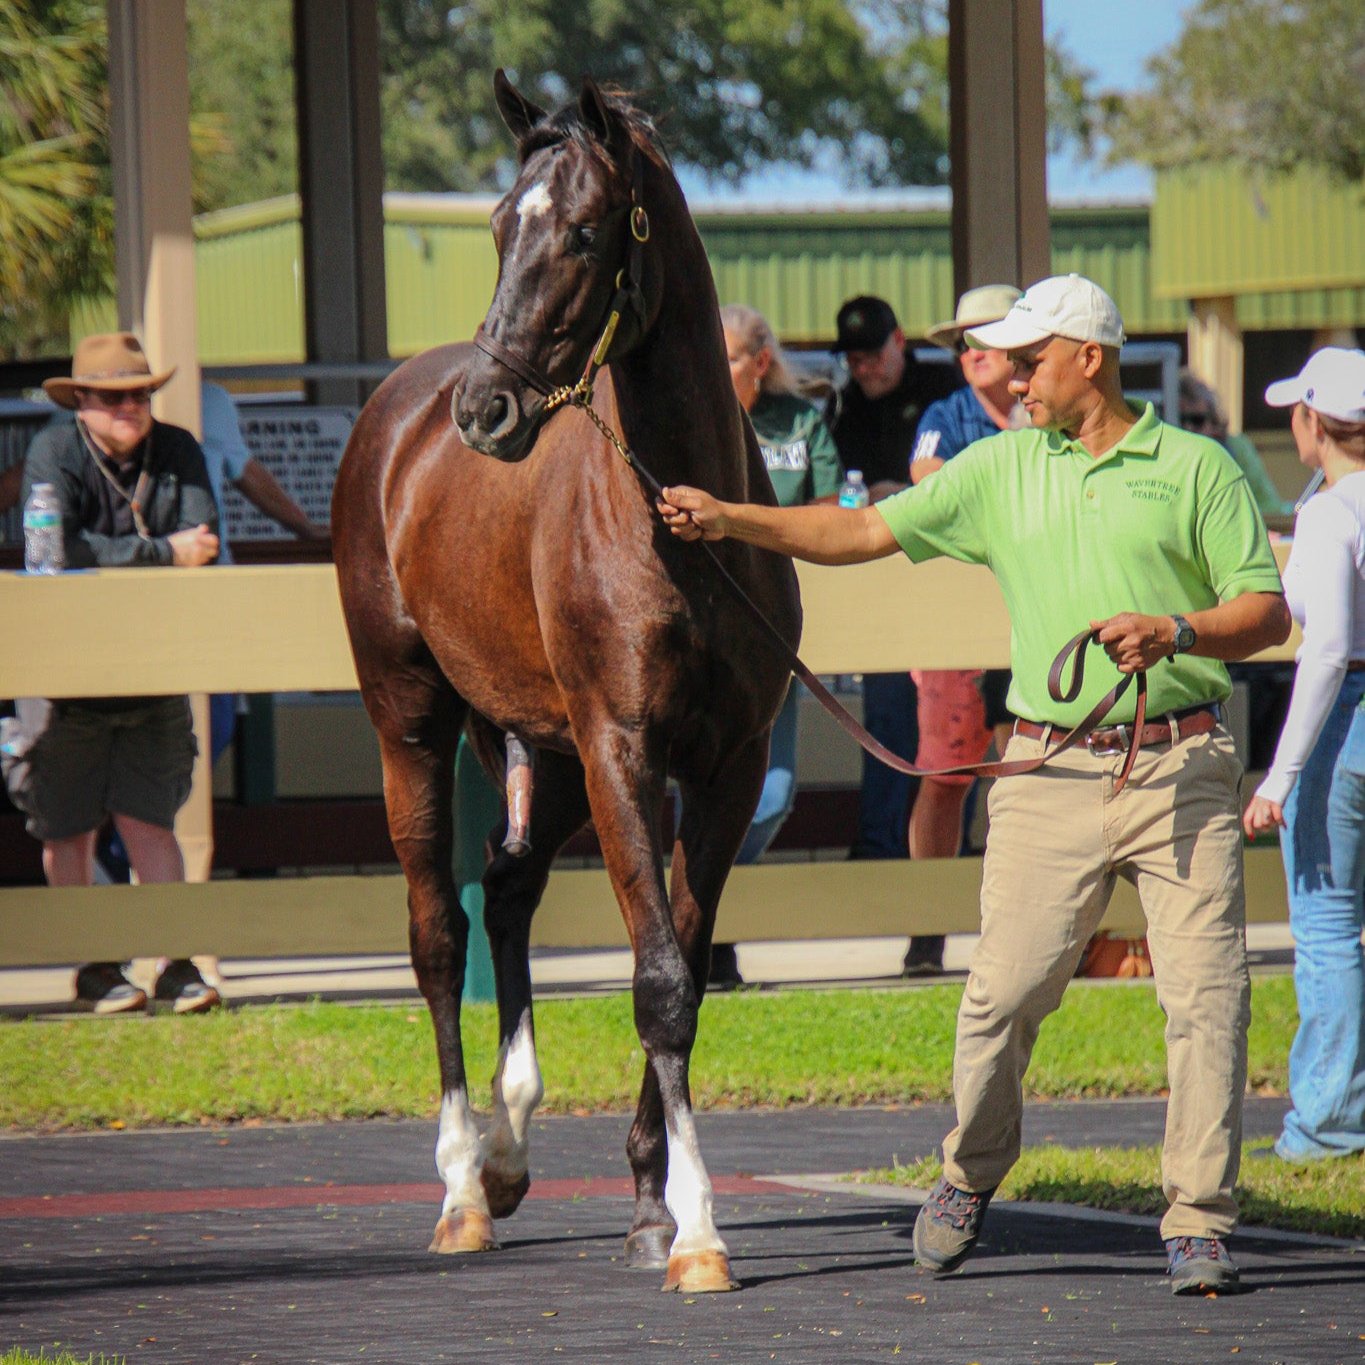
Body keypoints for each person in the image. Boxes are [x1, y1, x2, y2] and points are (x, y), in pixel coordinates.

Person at [659, 274, 1291, 1296]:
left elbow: (1264, 613)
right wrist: (731, 519)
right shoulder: (997, 469)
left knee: (1209, 1001)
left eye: (1028, 359)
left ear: (1090, 357)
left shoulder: (1195, 468)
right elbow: (863, 533)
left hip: (1182, 764)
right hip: (1048, 772)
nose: (1006, 375)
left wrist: (1175, 630)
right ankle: (969, 1173)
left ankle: (1199, 1217)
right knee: (1002, 997)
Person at [0, 333, 222, 1014]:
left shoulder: (178, 448)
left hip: (153, 665)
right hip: (64, 676)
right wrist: (158, 552)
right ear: (83, 403)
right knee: (67, 829)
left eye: (141, 393)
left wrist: (132, 555)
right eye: (114, 395)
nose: (131, 405)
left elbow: (205, 539)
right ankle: (97, 966)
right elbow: (52, 550)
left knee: (151, 821)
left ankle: (176, 962)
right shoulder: (53, 451)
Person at [1243, 346, 1365, 1163]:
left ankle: (1326, 1124)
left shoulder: (1329, 512)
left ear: (1312, 421)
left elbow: (1322, 648)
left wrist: (1278, 775)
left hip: (1347, 716)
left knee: (1324, 923)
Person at [707, 304, 845, 987]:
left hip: (773, 631)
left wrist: (755, 527)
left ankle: (705, 905)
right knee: (703, 789)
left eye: (729, 355)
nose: (717, 365)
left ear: (760, 361)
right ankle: (709, 939)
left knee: (772, 796)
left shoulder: (800, 424)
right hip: (704, 636)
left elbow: (828, 513)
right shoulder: (694, 419)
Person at [899, 284, 1024, 974]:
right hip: (956, 628)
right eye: (964, 342)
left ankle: (1018, 930)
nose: (973, 351)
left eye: (988, 337)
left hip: (1043, 625)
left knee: (1023, 780)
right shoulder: (944, 413)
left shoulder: (1049, 410)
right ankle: (928, 925)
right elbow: (927, 483)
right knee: (945, 775)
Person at [825, 295, 962, 893]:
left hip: (945, 582)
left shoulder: (943, 388)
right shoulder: (844, 408)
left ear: (900, 341)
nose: (864, 369)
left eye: (873, 355)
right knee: (885, 721)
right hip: (884, 584)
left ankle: (954, 859)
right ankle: (878, 847)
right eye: (853, 359)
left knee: (956, 732)